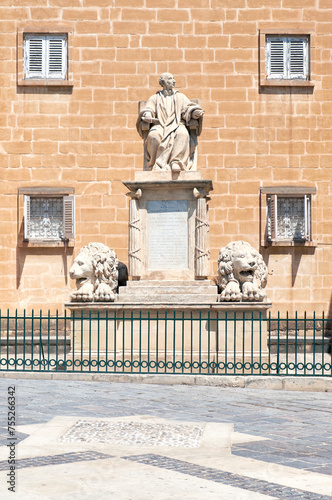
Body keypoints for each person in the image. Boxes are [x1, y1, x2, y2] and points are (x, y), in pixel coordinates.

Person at [136, 73, 204, 172]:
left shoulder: (180, 97)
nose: (174, 81)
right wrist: (148, 115)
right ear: (163, 82)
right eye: (171, 79)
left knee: (182, 133)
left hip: (177, 124)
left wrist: (195, 113)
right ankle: (158, 165)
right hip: (159, 125)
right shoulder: (154, 98)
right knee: (153, 135)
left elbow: (188, 108)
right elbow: (149, 109)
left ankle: (176, 162)